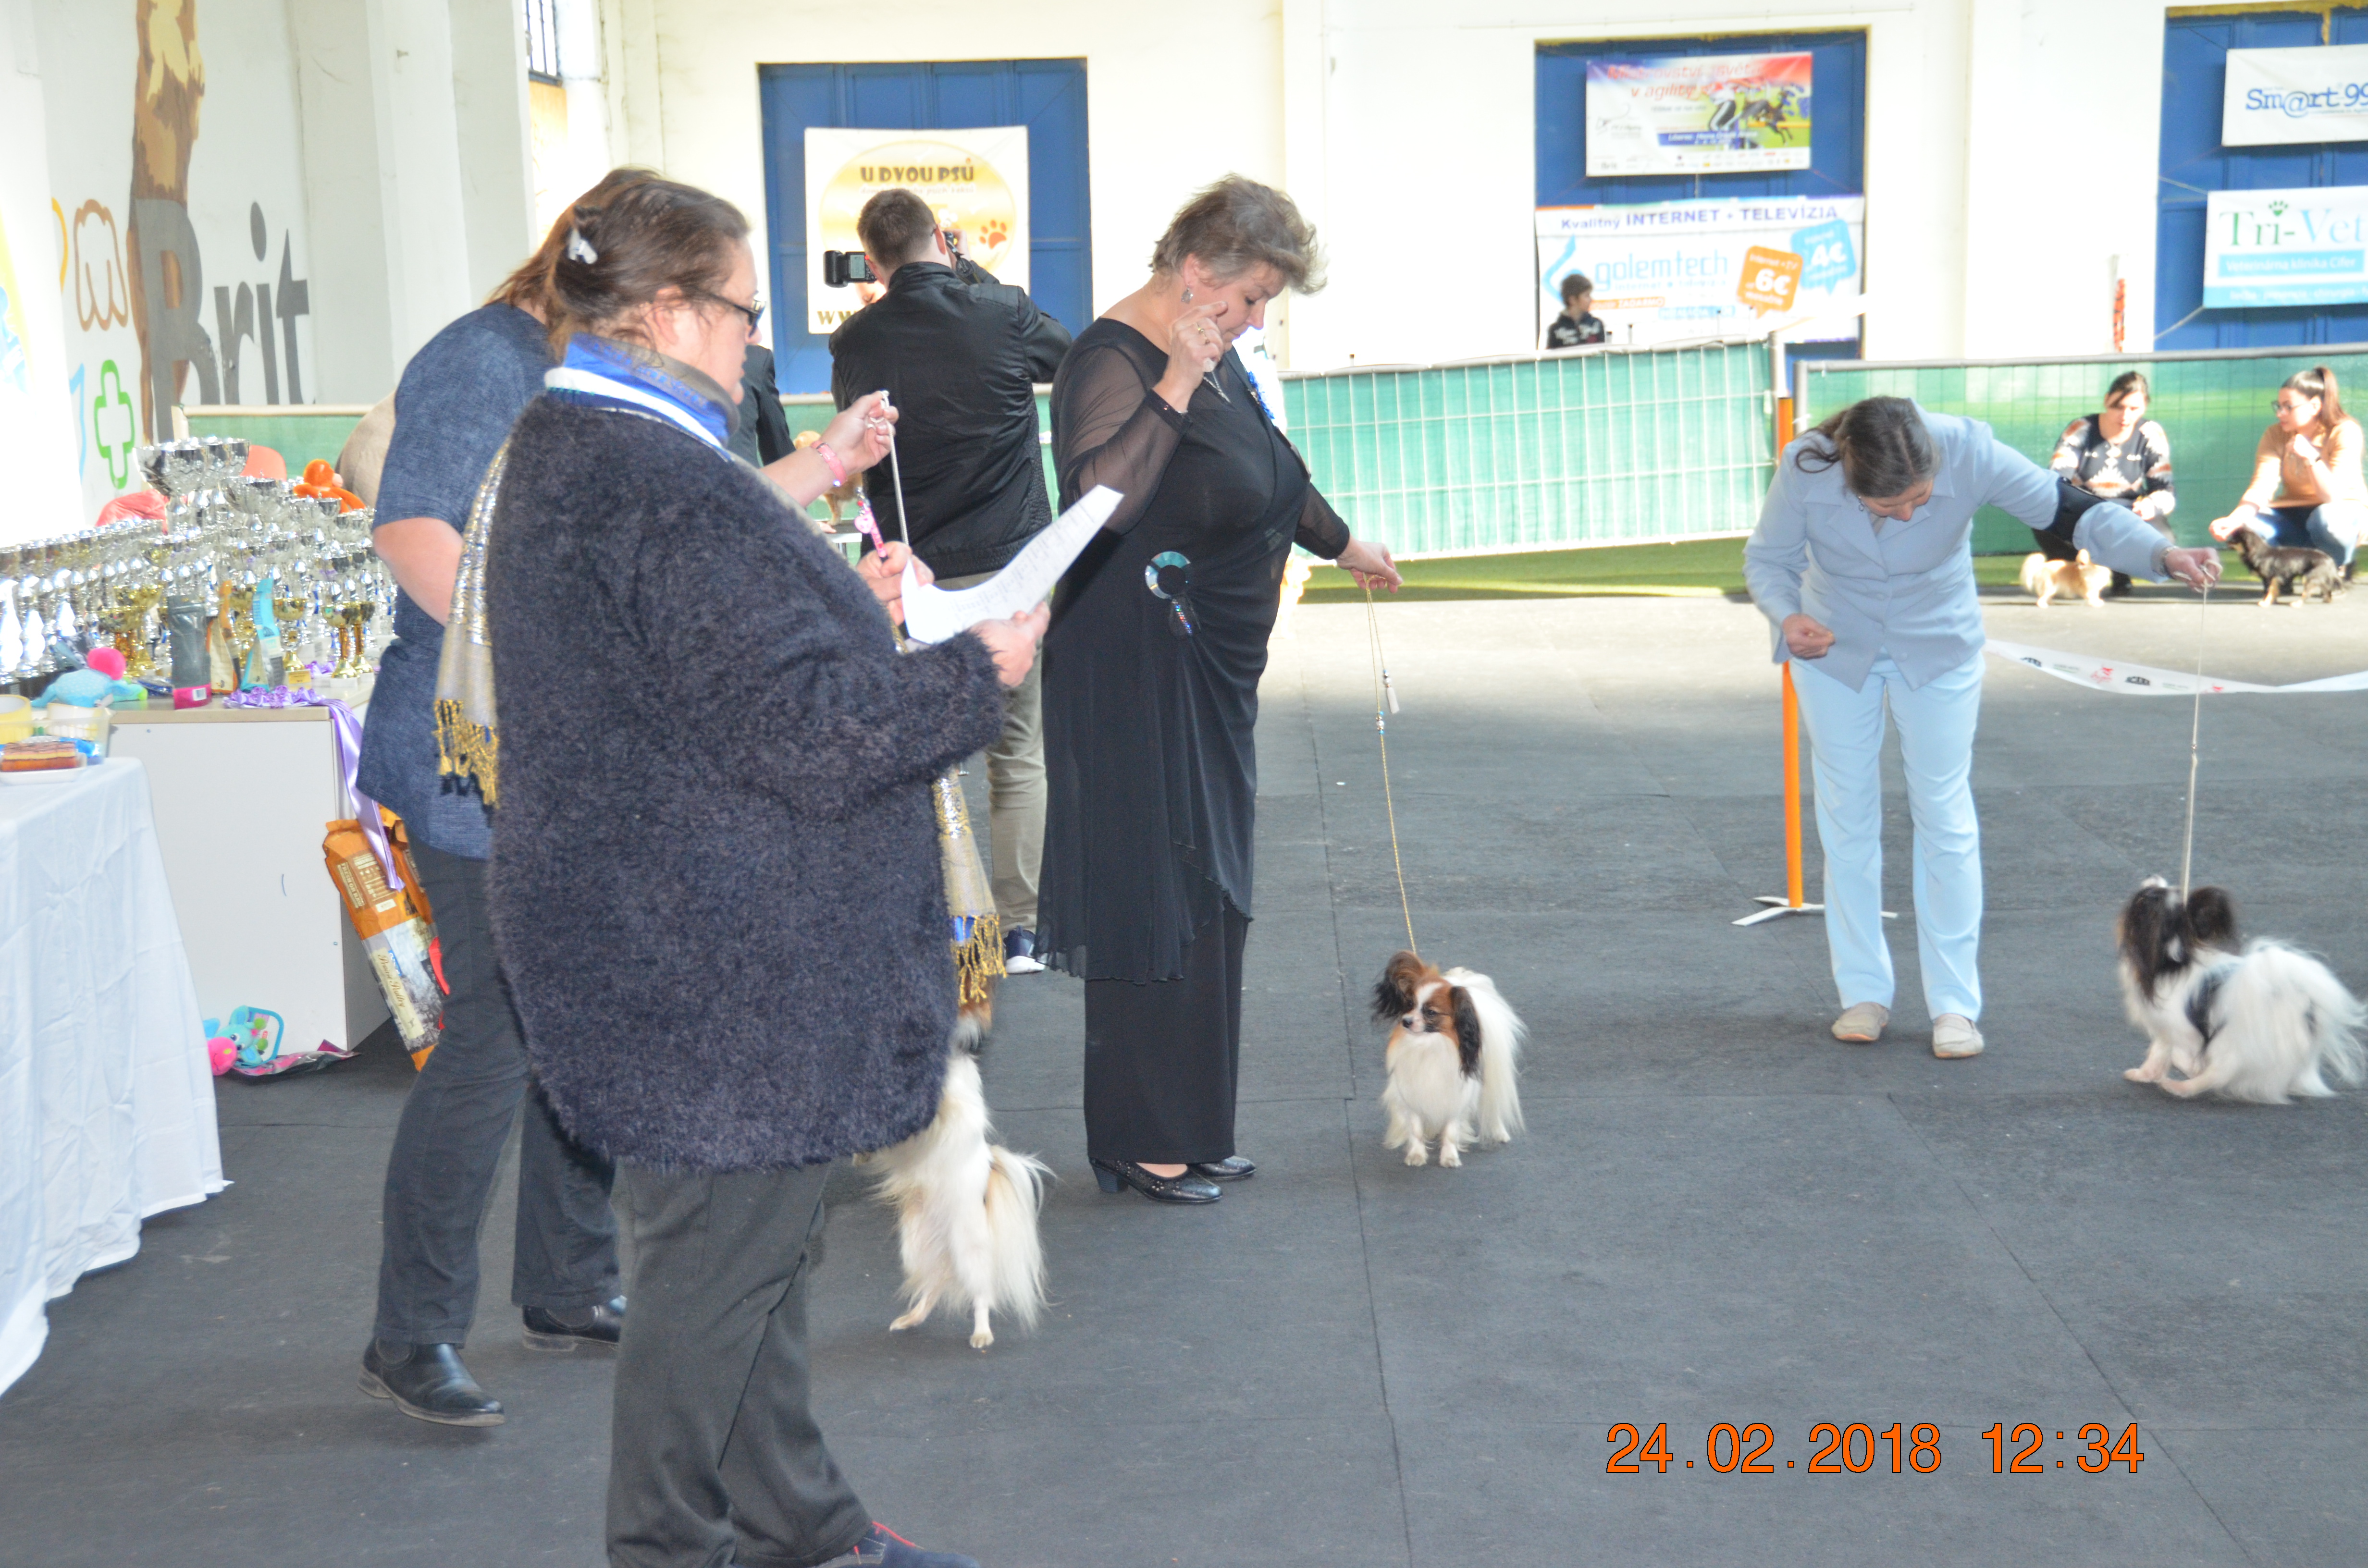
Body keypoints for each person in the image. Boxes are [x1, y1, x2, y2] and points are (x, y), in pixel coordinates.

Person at [480, 173, 1034, 1568]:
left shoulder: (584, 444)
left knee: (751, 1260)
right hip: (712, 959)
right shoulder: (655, 479)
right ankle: (667, 1544)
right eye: (743, 313)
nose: (755, 344)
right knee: (716, 1276)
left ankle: (805, 1524)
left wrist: (843, 611)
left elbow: (694, 686)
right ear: (669, 315)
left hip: (670, 934)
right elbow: (811, 736)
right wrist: (978, 669)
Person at [354, 168, 655, 1429]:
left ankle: (569, 1285)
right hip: (470, 755)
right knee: (492, 1035)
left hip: (559, 751)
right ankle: (412, 1331)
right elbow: (414, 535)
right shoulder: (484, 358)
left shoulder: (588, 367)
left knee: (570, 1018)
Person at [1042, 174, 1401, 1204]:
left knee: (1210, 895)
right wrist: (1174, 385)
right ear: (1195, 272)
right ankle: (1139, 1136)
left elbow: (1271, 473)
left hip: (1204, 670)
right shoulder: (1111, 359)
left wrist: (1344, 544)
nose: (1253, 321)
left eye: (1263, 306)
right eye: (1248, 299)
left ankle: (1192, 1123)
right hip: (1132, 666)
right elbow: (1099, 501)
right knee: (1148, 895)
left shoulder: (1217, 354)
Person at [1743, 396, 2220, 1060]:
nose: (1906, 515)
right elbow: (1767, 560)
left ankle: (1954, 1006)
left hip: (1938, 644)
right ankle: (1862, 994)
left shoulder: (1969, 450)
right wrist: (1787, 615)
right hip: (1831, 648)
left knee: (1943, 813)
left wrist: (2161, 554)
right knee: (1845, 814)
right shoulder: (1806, 463)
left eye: (1918, 498)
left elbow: (2073, 511)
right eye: (1886, 506)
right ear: (1850, 476)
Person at [830, 187, 1073, 974]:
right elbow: (1067, 357)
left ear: (873, 262)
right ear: (942, 237)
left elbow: (860, 438)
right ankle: (1022, 929)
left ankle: (940, 922)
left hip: (914, 573)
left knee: (926, 752)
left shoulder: (855, 340)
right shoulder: (1001, 310)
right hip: (1013, 563)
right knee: (1018, 752)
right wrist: (971, 277)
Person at [2208, 364, 2367, 575]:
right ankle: (2283, 577)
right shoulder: (2275, 435)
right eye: (2278, 406)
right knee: (2248, 526)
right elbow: (2262, 486)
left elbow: (2332, 497)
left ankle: (2336, 568)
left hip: (2339, 515)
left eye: (2288, 407)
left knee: (2327, 519)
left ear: (2314, 406)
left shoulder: (2346, 431)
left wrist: (2312, 457)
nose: (2280, 413)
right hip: (2294, 517)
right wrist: (2234, 520)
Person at [2044, 370, 2174, 596]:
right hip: (2082, 506)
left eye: (2134, 409)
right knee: (2043, 515)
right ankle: (2071, 574)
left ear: (2145, 406)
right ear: (2106, 401)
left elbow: (2166, 492)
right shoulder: (2081, 429)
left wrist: (2151, 505)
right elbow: (2057, 479)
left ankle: (2120, 573)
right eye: (2118, 407)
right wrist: (2080, 508)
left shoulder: (2151, 434)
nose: (2125, 416)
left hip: (2128, 510)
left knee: (2164, 538)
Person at [729, 340, 794, 466]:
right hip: (743, 475)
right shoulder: (755, 358)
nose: (757, 336)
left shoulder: (755, 358)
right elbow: (779, 450)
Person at [1545, 272, 1607, 349]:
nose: (1591, 300)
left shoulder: (1596, 325)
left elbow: (1602, 353)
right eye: (1587, 296)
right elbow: (1552, 355)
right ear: (1573, 300)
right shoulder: (1556, 330)